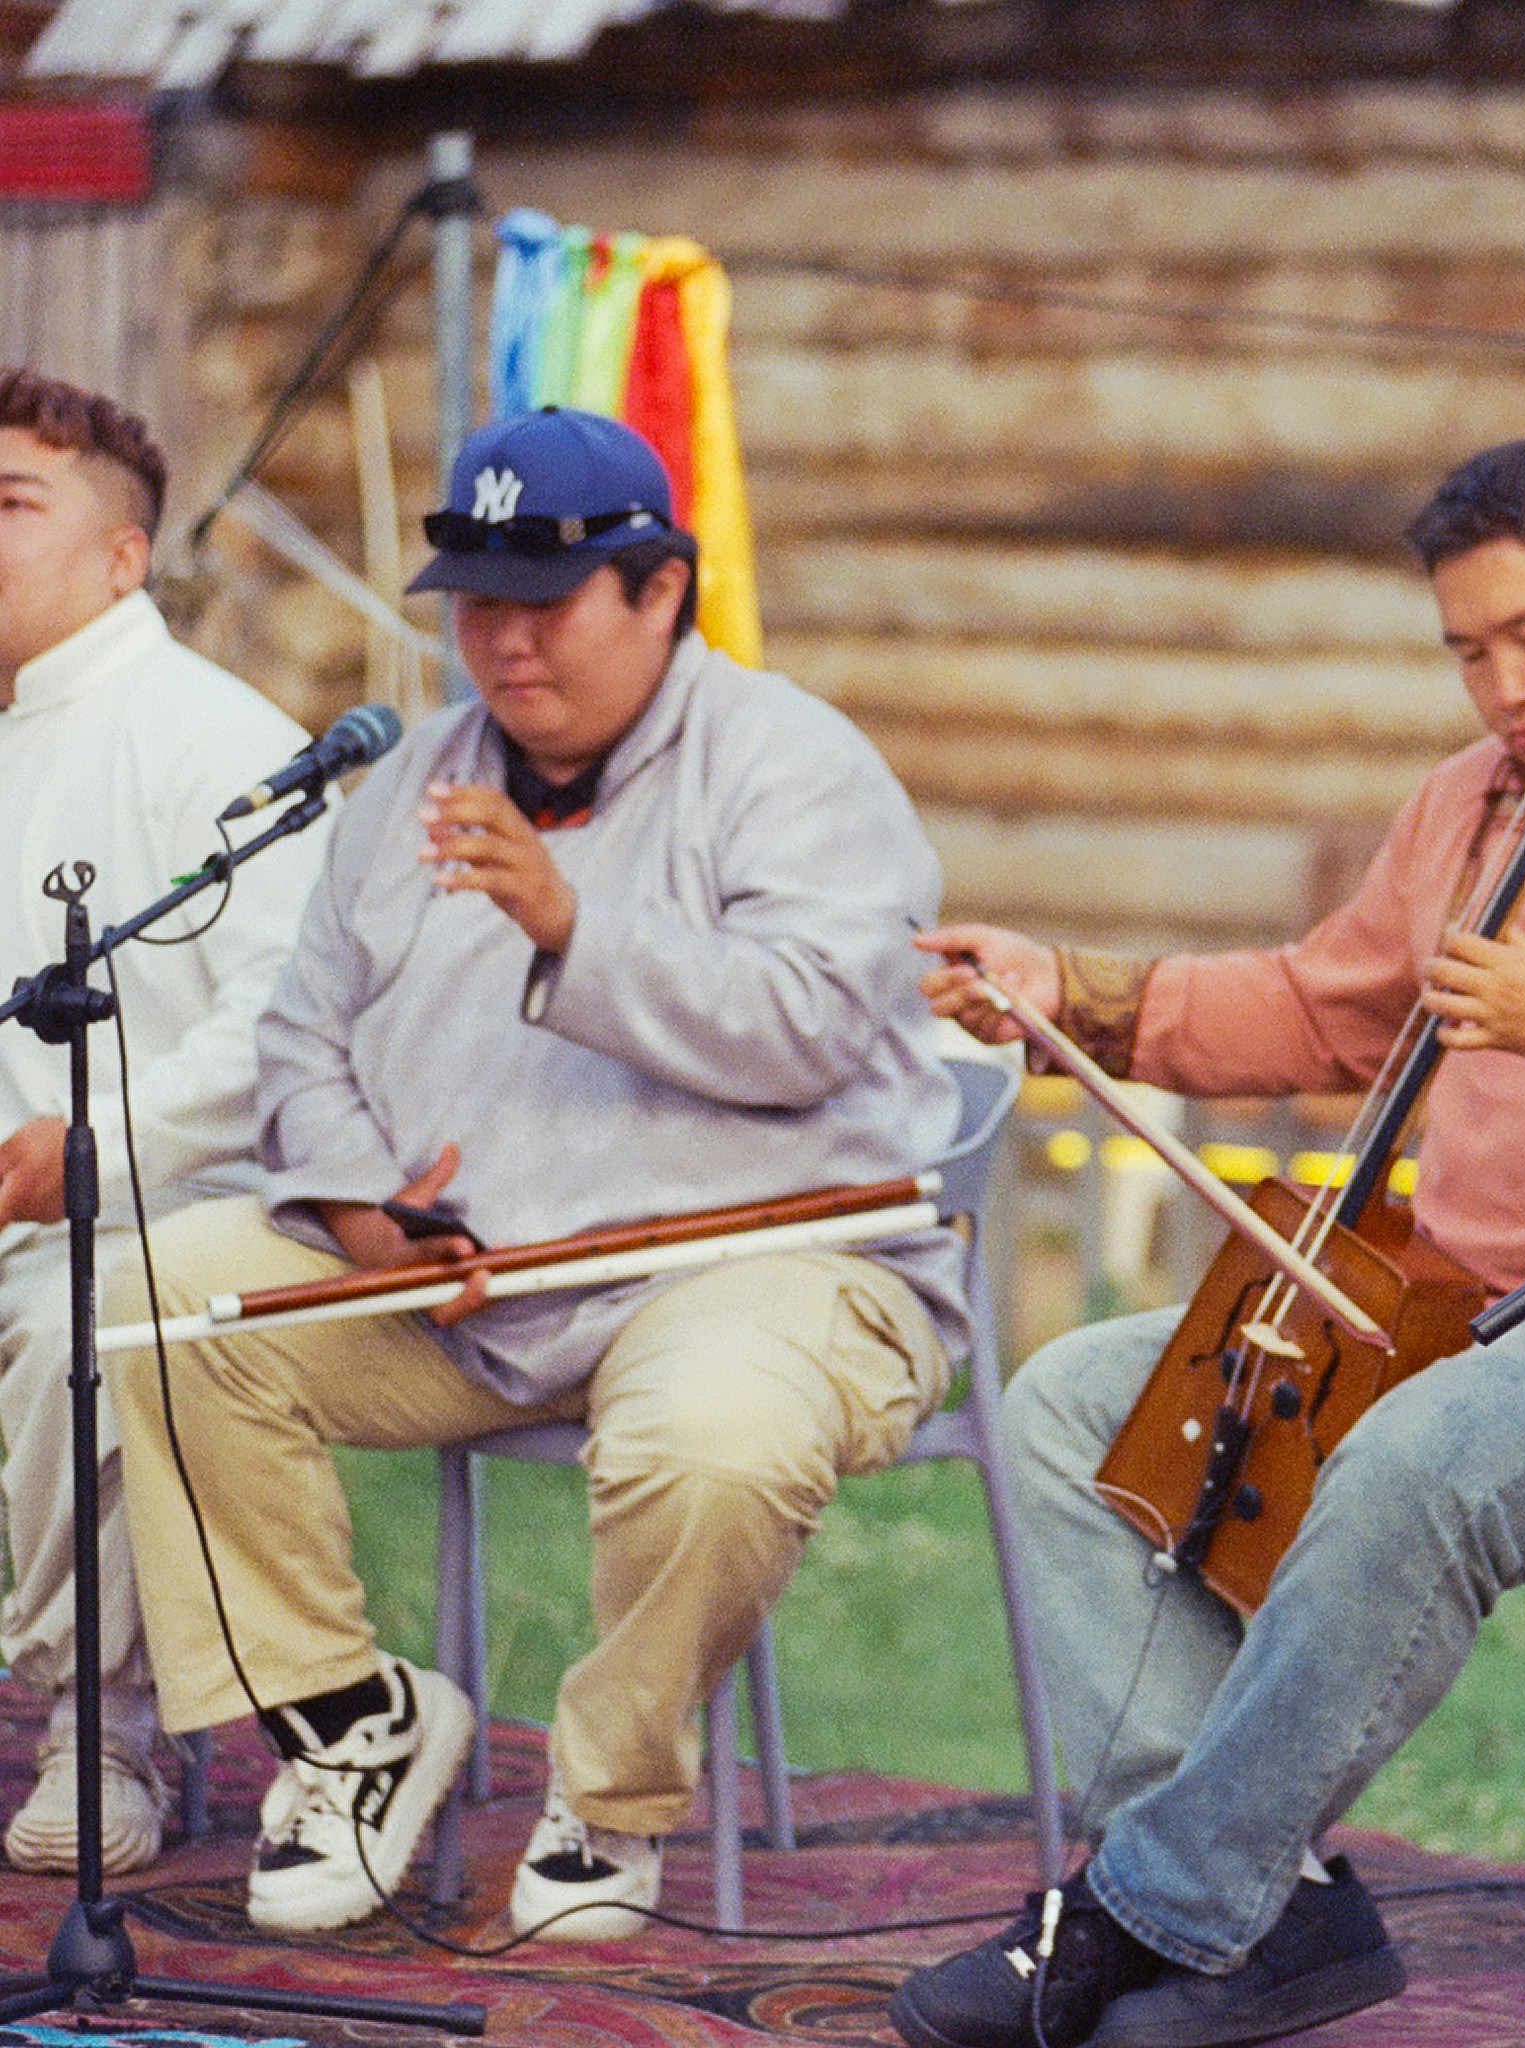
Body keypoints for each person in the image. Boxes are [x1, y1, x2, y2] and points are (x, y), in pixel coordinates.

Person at [894, 434, 1525, 2048]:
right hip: (1466, 1311)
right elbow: (1326, 1006)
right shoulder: (1469, 806)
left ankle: (1143, 1915)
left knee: (1421, 1461)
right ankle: (1261, 1902)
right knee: (1071, 1412)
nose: (1504, 685)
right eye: (1467, 651)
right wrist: (1062, 987)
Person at [110, 406, 969, 1939]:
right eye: (478, 605)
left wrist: (573, 926)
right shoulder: (411, 778)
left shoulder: (795, 762)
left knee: (712, 1437)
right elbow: (302, 1037)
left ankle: (611, 1789)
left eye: (545, 603)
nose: (503, 645)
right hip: (465, 1276)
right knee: (165, 1298)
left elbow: (820, 1026)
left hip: (758, 1269)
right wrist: (356, 1200)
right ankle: (351, 1722)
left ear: (660, 591)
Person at [0, 368, 322, 1877]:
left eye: (12, 504)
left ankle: (100, 1730)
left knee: (78, 1314)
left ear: (125, 556)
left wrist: (92, 1153)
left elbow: (287, 1026)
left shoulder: (217, 738)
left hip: (181, 1205)